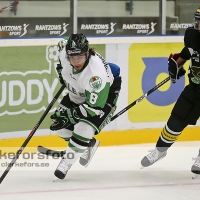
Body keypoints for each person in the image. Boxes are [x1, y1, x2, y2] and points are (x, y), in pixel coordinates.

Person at [50, 33, 122, 180]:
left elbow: (93, 108)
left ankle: (66, 162)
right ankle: (87, 144)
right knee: (62, 128)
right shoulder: (66, 52)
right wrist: (61, 70)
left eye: (80, 57)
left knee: (83, 128)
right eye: (72, 58)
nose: (76, 62)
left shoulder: (96, 76)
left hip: (103, 97)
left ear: (87, 53)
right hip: (79, 91)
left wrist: (70, 115)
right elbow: (62, 43)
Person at [141, 7, 200, 178]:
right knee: (176, 119)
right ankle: (160, 151)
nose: (199, 26)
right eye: (198, 21)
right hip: (194, 87)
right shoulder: (192, 34)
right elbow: (185, 54)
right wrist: (176, 66)